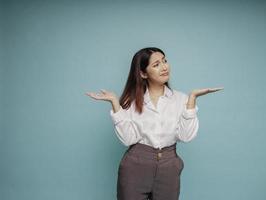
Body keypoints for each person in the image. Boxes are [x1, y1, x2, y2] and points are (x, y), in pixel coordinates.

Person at [86, 47, 223, 200]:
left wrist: (191, 100)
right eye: (156, 64)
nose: (164, 67)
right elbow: (128, 139)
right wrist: (115, 104)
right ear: (143, 73)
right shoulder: (130, 101)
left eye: (165, 61)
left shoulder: (181, 99)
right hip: (135, 166)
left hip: (169, 166)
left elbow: (186, 136)